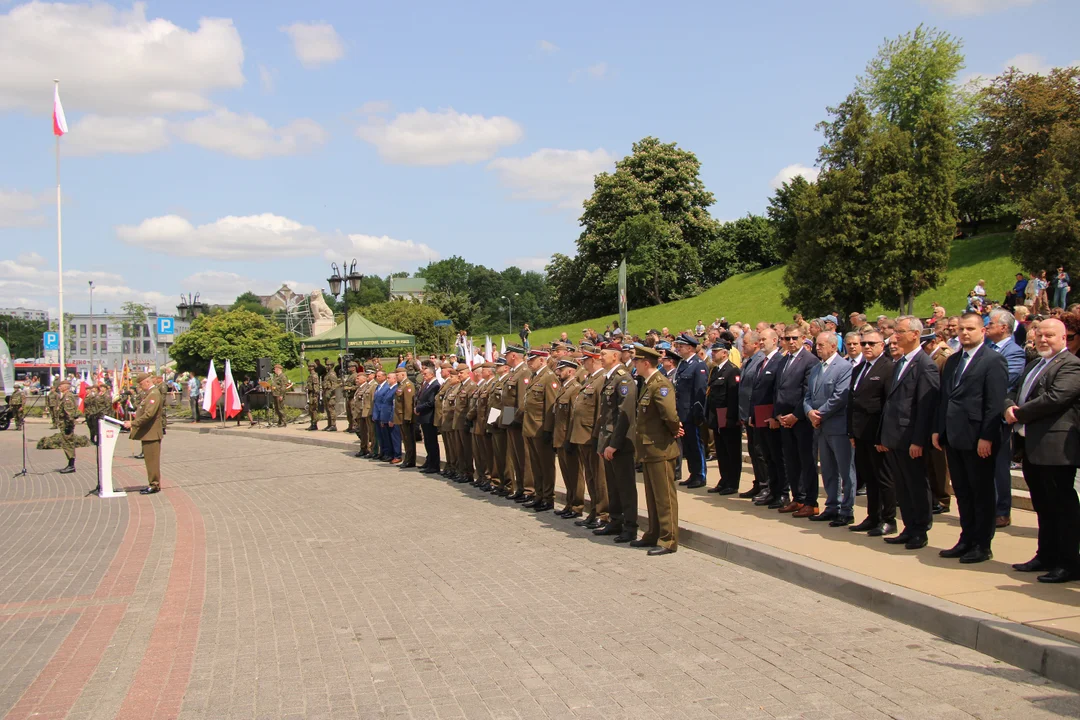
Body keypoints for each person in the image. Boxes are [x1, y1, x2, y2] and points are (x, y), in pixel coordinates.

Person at [1004, 318, 1080, 583]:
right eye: (1040, 335)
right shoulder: (1035, 363)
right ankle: (1046, 554)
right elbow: (1014, 390)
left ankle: (1069, 562)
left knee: (1062, 506)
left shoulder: (1071, 365)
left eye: (1050, 335)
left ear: (1063, 338)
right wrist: (1008, 405)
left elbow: (1056, 398)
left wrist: (1019, 413)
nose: (1043, 339)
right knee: (1043, 505)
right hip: (1031, 447)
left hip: (1056, 449)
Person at [932, 312, 1009, 564]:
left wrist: (987, 436)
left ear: (982, 331)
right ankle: (966, 538)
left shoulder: (993, 360)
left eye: (970, 329)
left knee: (981, 493)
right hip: (954, 436)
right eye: (961, 329)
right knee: (963, 492)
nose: (964, 333)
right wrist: (938, 429)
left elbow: (994, 403)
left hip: (978, 439)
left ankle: (982, 544)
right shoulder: (953, 361)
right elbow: (945, 398)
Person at [878, 316, 940, 550]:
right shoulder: (900, 363)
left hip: (911, 437)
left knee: (915, 484)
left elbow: (926, 407)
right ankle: (909, 526)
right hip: (895, 435)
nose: (896, 336)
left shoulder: (925, 365)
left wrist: (918, 439)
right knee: (902, 485)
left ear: (915, 334)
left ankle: (920, 529)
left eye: (900, 331)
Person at [631, 344, 682, 555]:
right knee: (652, 495)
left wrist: (675, 429)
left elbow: (669, 415)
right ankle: (653, 533)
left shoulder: (660, 384)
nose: (633, 364)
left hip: (660, 447)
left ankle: (668, 539)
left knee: (664, 497)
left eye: (636, 361)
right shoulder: (648, 383)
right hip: (649, 448)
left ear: (645, 363)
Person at [847, 329, 896, 536]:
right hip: (860, 433)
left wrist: (884, 436)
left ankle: (888, 519)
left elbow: (889, 405)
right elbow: (852, 401)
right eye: (864, 343)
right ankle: (872, 516)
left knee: (883, 478)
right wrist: (851, 432)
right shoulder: (859, 369)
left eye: (871, 343)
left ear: (881, 346)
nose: (866, 347)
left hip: (877, 434)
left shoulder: (888, 368)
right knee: (868, 477)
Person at [805, 331, 856, 525]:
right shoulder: (817, 369)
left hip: (838, 426)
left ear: (834, 347)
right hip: (820, 427)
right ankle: (832, 505)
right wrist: (810, 412)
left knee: (845, 470)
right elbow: (808, 395)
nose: (817, 348)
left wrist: (820, 414)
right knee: (827, 469)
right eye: (817, 345)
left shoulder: (844, 367)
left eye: (821, 345)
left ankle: (847, 509)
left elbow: (840, 396)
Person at [592, 343, 637, 543]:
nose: (600, 357)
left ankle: (630, 526)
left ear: (615, 356)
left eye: (603, 354)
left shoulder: (623, 379)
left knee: (625, 486)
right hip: (608, 440)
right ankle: (615, 520)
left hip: (620, 442)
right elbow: (605, 415)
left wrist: (614, 444)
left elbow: (623, 415)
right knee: (613, 485)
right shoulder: (610, 377)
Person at [774, 325, 818, 517]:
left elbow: (808, 392)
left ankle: (811, 501)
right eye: (787, 338)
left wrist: (796, 415)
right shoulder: (783, 361)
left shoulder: (810, 361)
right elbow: (778, 389)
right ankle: (798, 498)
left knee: (806, 461)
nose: (791, 342)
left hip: (801, 420)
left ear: (802, 338)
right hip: (784, 419)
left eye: (794, 338)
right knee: (791, 461)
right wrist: (778, 414)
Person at [572, 348, 609, 528]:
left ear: (593, 360)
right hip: (583, 435)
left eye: (585, 360)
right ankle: (594, 510)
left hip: (592, 435)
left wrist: (597, 436)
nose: (583, 363)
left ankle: (603, 513)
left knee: (599, 477)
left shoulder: (601, 379)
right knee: (591, 476)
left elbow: (600, 412)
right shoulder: (590, 379)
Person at [522, 350, 558, 510]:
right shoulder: (534, 376)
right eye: (529, 360)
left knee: (545, 465)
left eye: (533, 360)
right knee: (535, 465)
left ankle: (548, 497)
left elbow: (551, 406)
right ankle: (539, 494)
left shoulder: (549, 377)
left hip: (540, 427)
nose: (529, 362)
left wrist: (548, 430)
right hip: (530, 427)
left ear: (542, 360)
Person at [705, 341, 741, 495]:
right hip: (716, 416)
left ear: (725, 353)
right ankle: (724, 479)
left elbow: (733, 397)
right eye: (712, 351)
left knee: (731, 451)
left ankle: (732, 483)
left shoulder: (732, 370)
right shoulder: (715, 370)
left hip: (727, 417)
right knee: (721, 451)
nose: (713, 354)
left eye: (716, 351)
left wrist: (731, 418)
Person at [672, 333, 708, 489]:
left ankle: (700, 474)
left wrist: (697, 413)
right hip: (682, 411)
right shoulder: (683, 364)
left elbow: (700, 391)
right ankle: (693, 473)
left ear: (690, 347)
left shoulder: (698, 365)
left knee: (696, 445)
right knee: (688, 446)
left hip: (691, 412)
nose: (678, 348)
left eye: (681, 346)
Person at [552, 358, 584, 518]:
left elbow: (573, 416)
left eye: (561, 370)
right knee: (566, 472)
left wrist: (570, 439)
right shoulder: (563, 388)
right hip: (560, 436)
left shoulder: (575, 389)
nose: (558, 372)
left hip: (568, 437)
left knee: (574, 473)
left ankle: (577, 505)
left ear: (571, 371)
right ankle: (570, 503)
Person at [124, 373, 164, 494]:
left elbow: (149, 414)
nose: (140, 387)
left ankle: (154, 484)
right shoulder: (149, 394)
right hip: (148, 433)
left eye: (141, 384)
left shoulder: (154, 394)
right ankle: (152, 483)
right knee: (149, 460)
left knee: (152, 461)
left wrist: (133, 423)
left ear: (147, 382)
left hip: (152, 433)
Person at [414, 366, 441, 472]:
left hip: (429, 416)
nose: (423, 376)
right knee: (427, 442)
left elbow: (431, 402)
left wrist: (418, 408)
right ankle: (429, 461)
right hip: (424, 416)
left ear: (432, 374)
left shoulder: (435, 385)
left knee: (432, 442)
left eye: (425, 374)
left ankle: (434, 465)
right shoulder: (426, 385)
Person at [55, 379, 79, 474]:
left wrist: (68, 425)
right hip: (64, 423)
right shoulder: (65, 396)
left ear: (65, 387)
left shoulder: (67, 397)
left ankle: (71, 465)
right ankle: (70, 464)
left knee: (68, 444)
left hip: (66, 424)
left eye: (60, 386)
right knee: (67, 444)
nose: (59, 387)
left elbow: (69, 413)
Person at [394, 368, 416, 468]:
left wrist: (408, 417)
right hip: (400, 416)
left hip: (405, 417)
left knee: (408, 439)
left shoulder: (408, 385)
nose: (396, 377)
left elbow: (408, 403)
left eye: (397, 375)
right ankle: (407, 458)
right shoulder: (401, 385)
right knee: (405, 439)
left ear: (403, 375)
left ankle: (410, 460)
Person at [322, 362, 340, 431]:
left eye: (328, 365)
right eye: (326, 365)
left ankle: (333, 425)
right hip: (326, 394)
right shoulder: (327, 374)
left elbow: (334, 385)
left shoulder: (332, 374)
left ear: (331, 366)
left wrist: (329, 394)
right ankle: (329, 424)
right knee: (328, 410)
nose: (326, 366)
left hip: (330, 395)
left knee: (331, 410)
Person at [305, 363, 321, 431]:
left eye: (309, 366)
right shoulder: (310, 375)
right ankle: (312, 424)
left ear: (312, 367)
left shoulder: (314, 375)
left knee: (314, 410)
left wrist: (315, 396)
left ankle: (314, 424)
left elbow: (316, 386)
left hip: (313, 394)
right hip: (311, 394)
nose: (308, 368)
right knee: (311, 410)